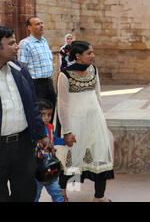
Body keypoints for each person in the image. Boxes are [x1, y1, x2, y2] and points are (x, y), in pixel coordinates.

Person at [57, 41, 115, 201]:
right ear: (78, 55)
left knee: (100, 156)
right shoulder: (65, 75)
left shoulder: (93, 70)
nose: (93, 56)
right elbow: (62, 104)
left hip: (94, 122)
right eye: (89, 53)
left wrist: (101, 119)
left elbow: (98, 95)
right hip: (75, 124)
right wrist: (67, 131)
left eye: (93, 52)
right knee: (70, 158)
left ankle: (99, 197)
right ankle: (62, 193)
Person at [0, 26, 49, 202]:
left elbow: (32, 105)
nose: (17, 47)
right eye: (11, 43)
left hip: (22, 144)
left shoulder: (19, 69)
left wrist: (41, 134)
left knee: (25, 191)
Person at [18, 16, 57, 123]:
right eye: (37, 24)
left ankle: (49, 136)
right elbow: (22, 67)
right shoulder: (25, 43)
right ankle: (40, 138)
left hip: (48, 82)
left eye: (42, 23)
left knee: (51, 112)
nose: (41, 26)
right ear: (29, 27)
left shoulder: (44, 41)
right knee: (40, 115)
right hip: (36, 85)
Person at [35, 99, 65, 202]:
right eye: (43, 114)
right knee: (35, 194)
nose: (46, 118)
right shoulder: (33, 130)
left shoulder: (50, 127)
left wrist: (64, 141)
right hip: (37, 169)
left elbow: (54, 139)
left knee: (56, 191)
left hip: (50, 167)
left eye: (49, 115)